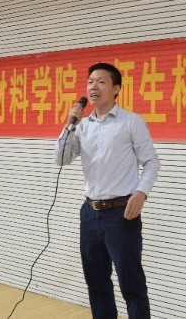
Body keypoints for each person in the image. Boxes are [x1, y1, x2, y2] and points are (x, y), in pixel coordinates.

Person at [54, 62, 160, 319]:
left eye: (101, 82)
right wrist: (69, 124)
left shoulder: (131, 122)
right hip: (90, 214)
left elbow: (152, 162)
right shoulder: (82, 126)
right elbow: (61, 158)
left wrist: (141, 193)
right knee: (97, 283)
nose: (94, 87)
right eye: (90, 82)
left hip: (121, 215)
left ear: (116, 89)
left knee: (131, 285)